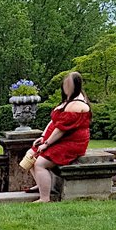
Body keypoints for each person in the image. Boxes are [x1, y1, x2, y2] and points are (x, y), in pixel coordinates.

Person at [23, 72, 92, 202]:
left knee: (40, 163)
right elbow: (54, 122)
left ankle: (44, 198)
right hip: (60, 139)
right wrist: (43, 137)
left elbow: (61, 130)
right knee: (30, 153)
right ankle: (41, 183)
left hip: (72, 142)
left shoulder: (76, 104)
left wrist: (47, 143)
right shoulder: (68, 101)